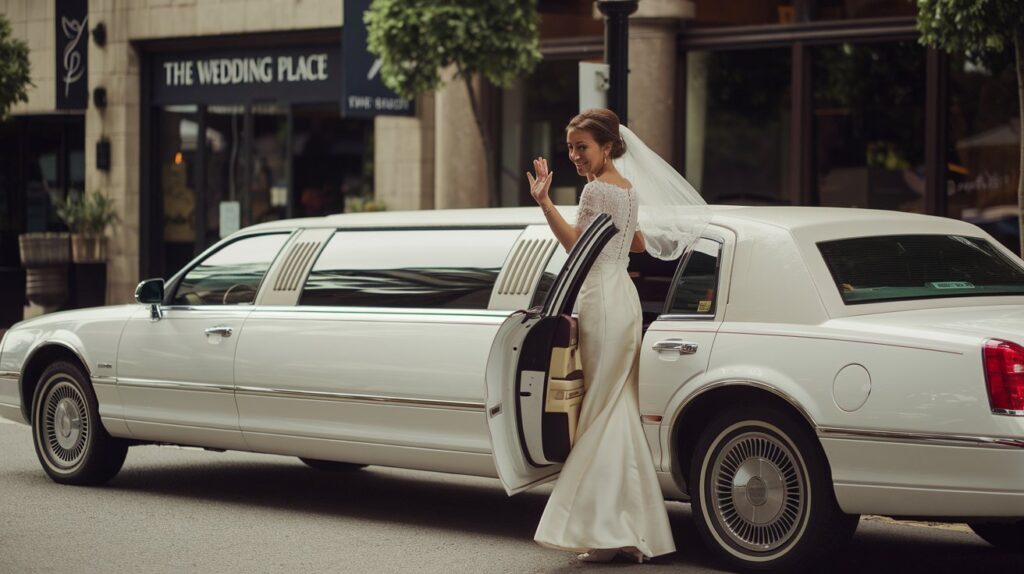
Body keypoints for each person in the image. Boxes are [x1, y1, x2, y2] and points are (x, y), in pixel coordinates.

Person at [526, 108, 678, 563]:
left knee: (597, 412)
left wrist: (545, 202)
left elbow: (577, 247)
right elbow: (637, 245)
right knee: (617, 411)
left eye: (582, 147)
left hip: (602, 302)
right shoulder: (627, 191)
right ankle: (627, 529)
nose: (573, 155)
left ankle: (602, 529)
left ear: (607, 146)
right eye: (570, 147)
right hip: (624, 300)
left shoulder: (595, 189)